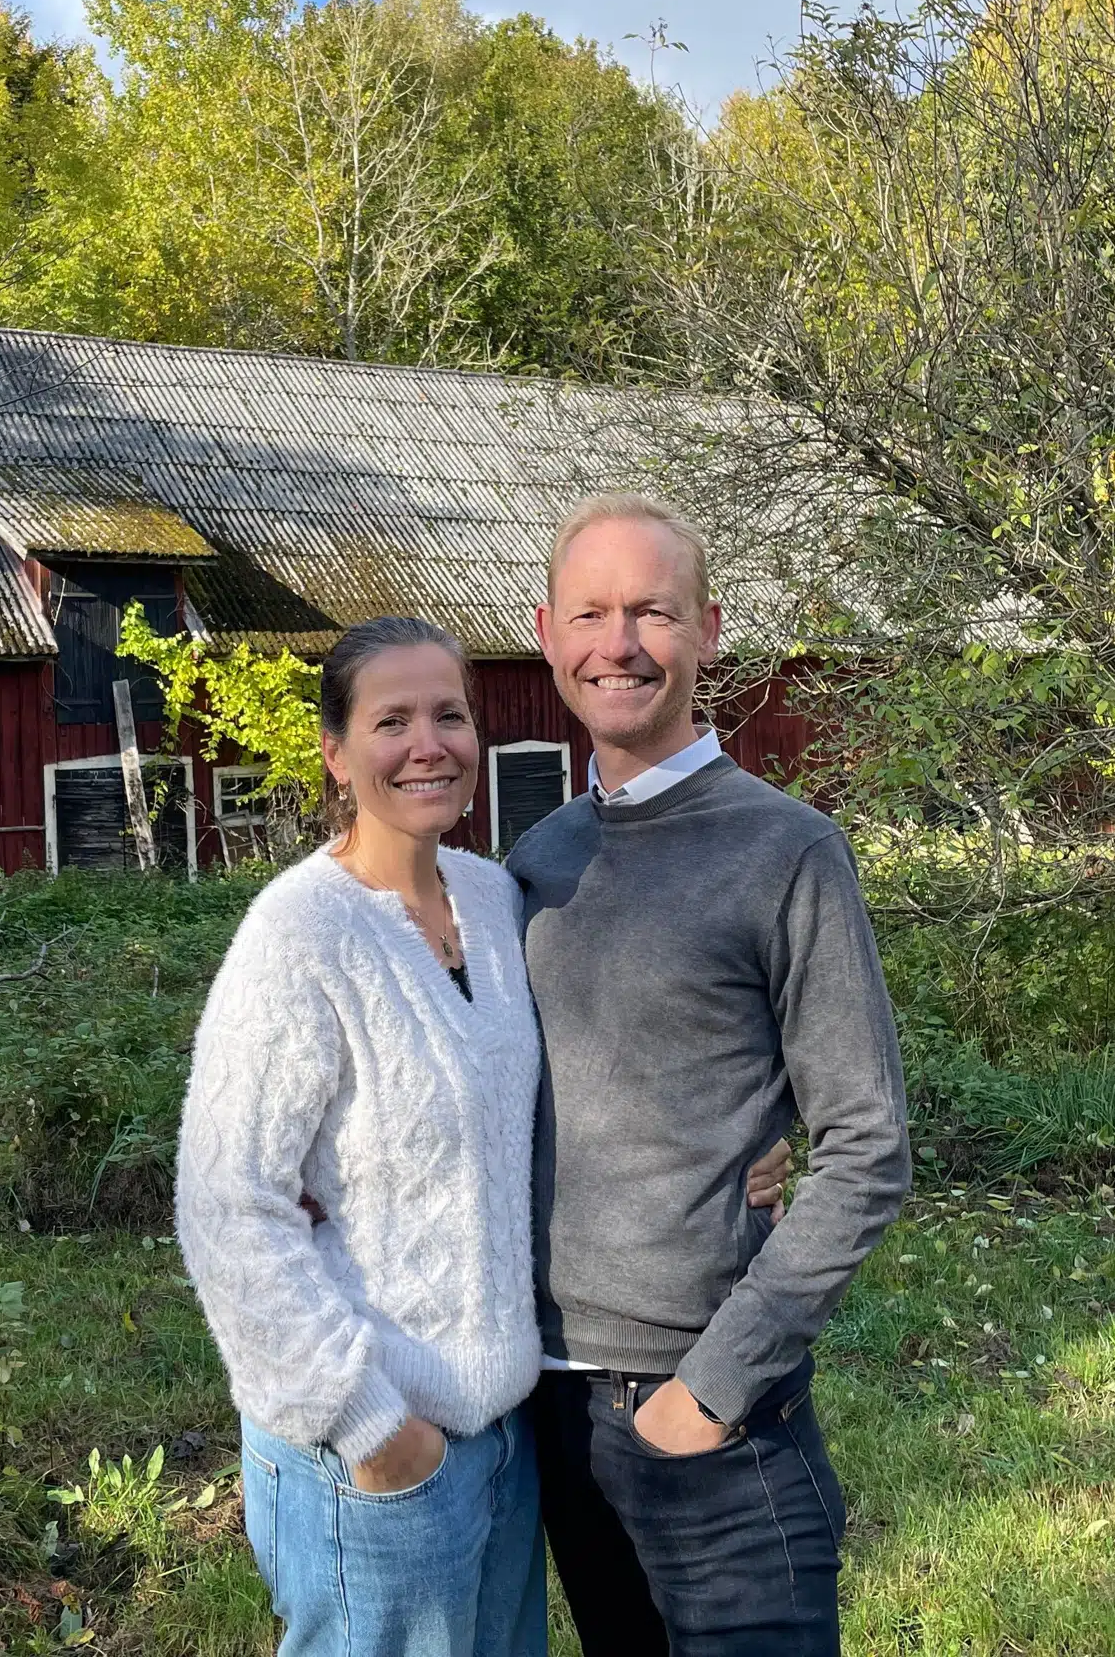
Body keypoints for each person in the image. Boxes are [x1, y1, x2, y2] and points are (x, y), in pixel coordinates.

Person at [177, 612, 792, 1657]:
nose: (429, 745)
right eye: (392, 721)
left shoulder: (495, 899)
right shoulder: (301, 934)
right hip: (368, 1447)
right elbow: (229, 1207)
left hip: (503, 1431)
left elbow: (557, 1102)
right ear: (335, 753)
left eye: (450, 715)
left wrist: (734, 1147)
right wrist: (373, 1427)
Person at [510, 495, 912, 1657]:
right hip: (554, 1410)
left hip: (713, 1422)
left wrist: (714, 1387)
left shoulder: (787, 851)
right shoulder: (536, 859)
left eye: (652, 612)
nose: (618, 643)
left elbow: (867, 1144)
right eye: (590, 612)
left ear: (709, 631)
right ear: (546, 633)